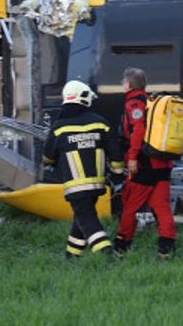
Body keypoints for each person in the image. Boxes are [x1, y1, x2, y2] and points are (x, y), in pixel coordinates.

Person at [42, 80, 124, 259]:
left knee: (87, 219)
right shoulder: (100, 123)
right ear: (84, 98)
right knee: (83, 217)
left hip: (75, 185)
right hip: (97, 184)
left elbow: (48, 156)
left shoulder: (59, 126)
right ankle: (71, 256)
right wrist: (118, 174)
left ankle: (106, 253)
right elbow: (116, 154)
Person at [113, 67, 177, 259]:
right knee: (162, 207)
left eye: (123, 81)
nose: (122, 84)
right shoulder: (151, 101)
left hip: (145, 164)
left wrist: (132, 156)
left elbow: (138, 130)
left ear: (129, 84)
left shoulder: (134, 103)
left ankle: (121, 247)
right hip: (163, 163)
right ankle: (166, 249)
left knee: (130, 205)